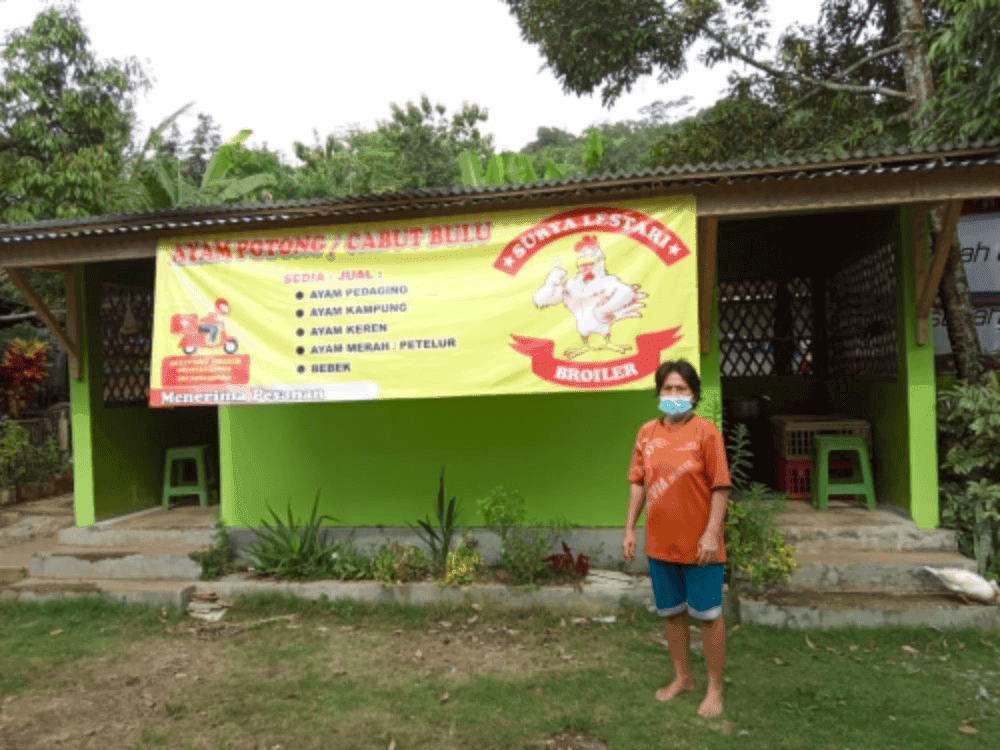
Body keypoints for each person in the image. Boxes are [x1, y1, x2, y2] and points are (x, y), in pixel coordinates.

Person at [622, 359, 731, 717]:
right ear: (658, 393)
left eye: (680, 389)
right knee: (672, 614)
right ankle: (682, 677)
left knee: (708, 615)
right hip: (660, 543)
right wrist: (629, 529)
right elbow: (638, 484)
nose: (673, 395)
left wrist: (711, 534)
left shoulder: (706, 433)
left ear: (694, 394)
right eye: (667, 389)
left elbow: (720, 487)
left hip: (701, 546)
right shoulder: (646, 434)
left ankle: (714, 688)